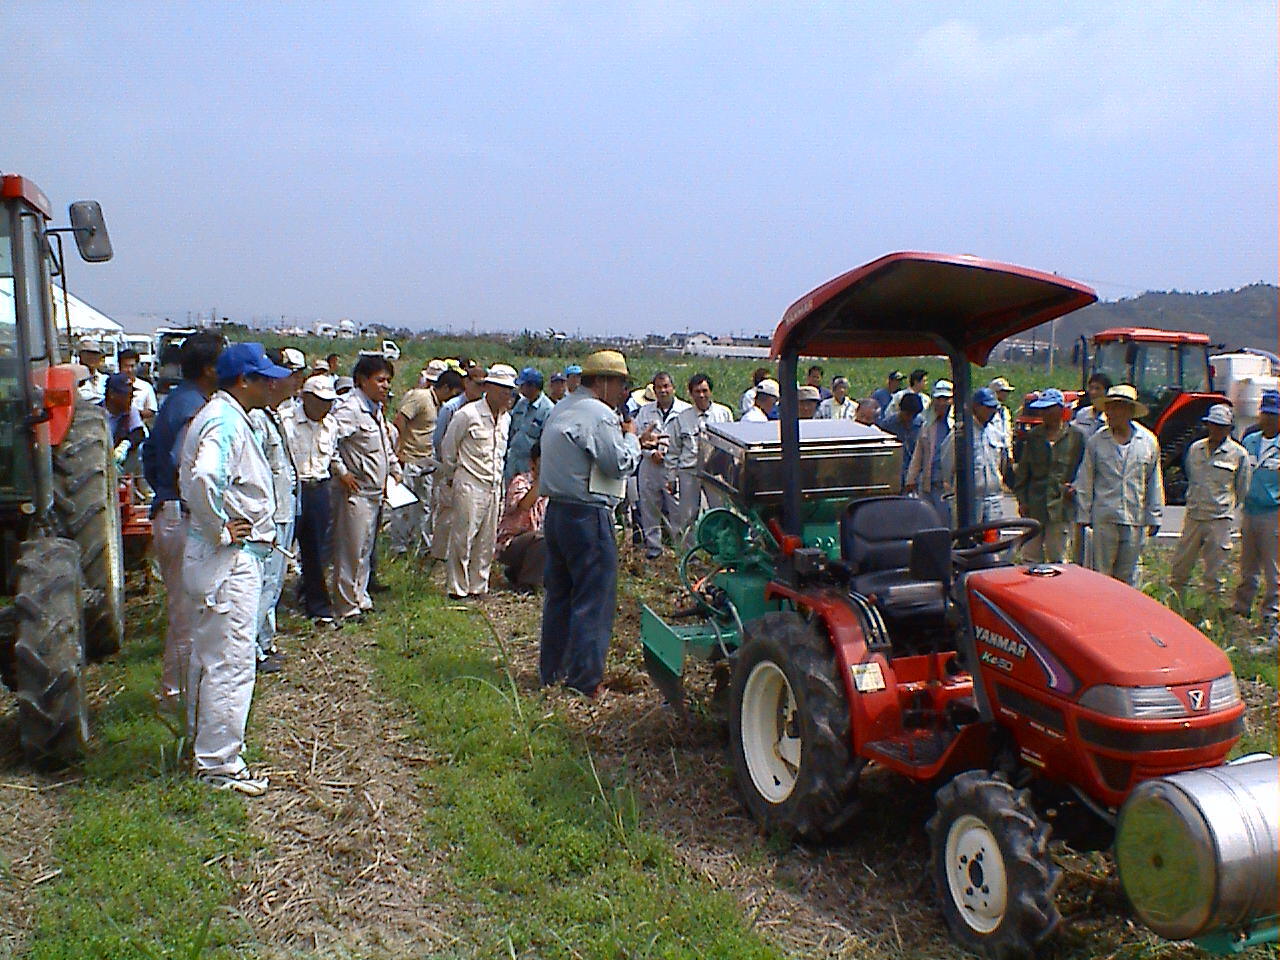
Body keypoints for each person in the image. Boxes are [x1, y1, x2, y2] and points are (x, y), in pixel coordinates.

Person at [179, 342, 292, 795]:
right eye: (265, 379)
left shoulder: (224, 416)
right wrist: (220, 527)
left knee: (211, 656)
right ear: (244, 381)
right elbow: (206, 476)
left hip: (219, 557)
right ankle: (220, 763)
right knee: (230, 662)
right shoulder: (224, 421)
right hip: (227, 560)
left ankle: (203, 746)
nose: (272, 386)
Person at [538, 350, 644, 697]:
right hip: (587, 515)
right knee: (593, 600)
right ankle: (584, 681)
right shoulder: (599, 414)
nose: (623, 392)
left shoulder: (562, 407)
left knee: (560, 596)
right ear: (603, 382)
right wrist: (633, 439)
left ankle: (552, 671)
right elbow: (617, 464)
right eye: (620, 383)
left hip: (557, 512)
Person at [142, 332, 223, 705]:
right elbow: (184, 465)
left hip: (171, 509)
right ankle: (179, 697)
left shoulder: (178, 400)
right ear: (209, 369)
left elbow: (151, 456)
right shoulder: (194, 409)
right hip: (183, 514)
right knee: (189, 611)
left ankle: (182, 692)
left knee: (185, 608)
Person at [330, 354, 398, 621]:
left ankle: (360, 596)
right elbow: (328, 442)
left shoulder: (375, 409)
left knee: (365, 549)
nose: (385, 386)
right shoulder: (349, 409)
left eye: (388, 381)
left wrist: (394, 469)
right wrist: (342, 473)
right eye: (380, 380)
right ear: (362, 380)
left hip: (375, 492)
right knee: (350, 551)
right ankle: (346, 605)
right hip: (355, 492)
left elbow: (383, 446)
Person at [440, 364, 516, 598]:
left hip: (493, 484)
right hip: (469, 481)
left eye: (509, 390)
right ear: (488, 387)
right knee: (463, 537)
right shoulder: (468, 414)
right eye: (501, 388)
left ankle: (478, 585)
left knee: (487, 539)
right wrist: (453, 477)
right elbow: (448, 448)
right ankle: (457, 587)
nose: (506, 394)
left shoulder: (506, 419)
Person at [1076, 384, 1164, 586]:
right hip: (1104, 518)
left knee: (1129, 576)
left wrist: (1154, 516)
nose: (1111, 413)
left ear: (1130, 411)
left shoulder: (1147, 442)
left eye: (1118, 408)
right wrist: (1084, 517)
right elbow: (1086, 481)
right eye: (1109, 407)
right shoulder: (1096, 441)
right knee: (1100, 575)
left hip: (1134, 518)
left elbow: (1153, 482)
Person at [1169, 404, 1251, 606]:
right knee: (1180, 568)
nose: (1216, 429)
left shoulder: (1239, 454)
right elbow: (1191, 474)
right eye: (1213, 425)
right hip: (1194, 516)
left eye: (1221, 426)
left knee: (1215, 573)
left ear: (1229, 428)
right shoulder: (1195, 449)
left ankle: (1210, 613)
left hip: (1219, 519)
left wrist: (1226, 507)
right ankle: (1175, 607)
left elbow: (1242, 488)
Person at [248, 363, 300, 673]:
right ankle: (253, 650)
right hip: (271, 514)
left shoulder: (274, 415)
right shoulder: (257, 419)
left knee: (274, 583)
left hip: (284, 508)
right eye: (285, 379)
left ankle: (265, 643)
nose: (292, 384)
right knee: (265, 583)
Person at [390, 365, 462, 558]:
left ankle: (421, 547)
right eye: (454, 393)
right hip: (409, 460)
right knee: (402, 507)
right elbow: (400, 421)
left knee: (424, 506)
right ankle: (399, 548)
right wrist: (399, 452)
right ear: (445, 388)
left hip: (425, 462)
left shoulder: (439, 406)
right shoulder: (420, 397)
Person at [285, 375, 339, 623]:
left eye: (328, 402)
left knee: (316, 550)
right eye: (319, 401)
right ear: (305, 398)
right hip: (292, 489)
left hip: (318, 489)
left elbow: (332, 455)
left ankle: (317, 604)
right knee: (282, 547)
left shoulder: (331, 425)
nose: (324, 406)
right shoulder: (286, 422)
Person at [1011, 389, 1085, 563]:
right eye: (1042, 410)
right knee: (1030, 557)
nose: (1044, 414)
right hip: (1035, 506)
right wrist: (1022, 501)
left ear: (1060, 410)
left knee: (1058, 559)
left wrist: (1075, 488)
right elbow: (1023, 472)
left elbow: (1083, 469)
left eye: (1049, 409)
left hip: (1061, 507)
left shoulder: (1076, 437)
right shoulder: (1034, 436)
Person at [1234, 389, 1279, 651]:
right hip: (1250, 510)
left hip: (1273, 512)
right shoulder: (1250, 441)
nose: (1269, 420)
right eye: (1266, 415)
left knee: (1273, 568)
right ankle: (1242, 608)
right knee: (1247, 563)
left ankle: (1271, 615)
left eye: (1274, 416)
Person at [666, 373, 733, 545]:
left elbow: (731, 445)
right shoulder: (682, 418)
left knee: (720, 511)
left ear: (711, 391)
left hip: (715, 472)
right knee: (688, 515)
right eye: (697, 391)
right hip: (689, 471)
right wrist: (671, 478)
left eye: (704, 391)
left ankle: (721, 549)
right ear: (690, 394)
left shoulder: (723, 413)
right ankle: (689, 551)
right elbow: (673, 450)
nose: (701, 395)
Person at [430, 364, 486, 565]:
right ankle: (439, 557)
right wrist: (449, 470)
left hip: (472, 474)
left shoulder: (484, 410)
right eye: (477, 384)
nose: (481, 389)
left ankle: (462, 556)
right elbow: (440, 440)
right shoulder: (451, 408)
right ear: (467, 382)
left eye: (484, 385)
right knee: (446, 514)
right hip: (449, 468)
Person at [633, 371, 690, 558]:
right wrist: (650, 453)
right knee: (649, 509)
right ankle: (654, 550)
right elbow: (636, 438)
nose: (663, 391)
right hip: (650, 466)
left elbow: (689, 442)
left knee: (678, 511)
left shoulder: (685, 411)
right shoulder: (645, 411)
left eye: (666, 386)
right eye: (659, 387)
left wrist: (671, 456)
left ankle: (682, 552)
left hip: (674, 468)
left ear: (673, 388)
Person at [941, 388, 1009, 527]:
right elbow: (947, 465)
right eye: (988, 407)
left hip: (993, 498)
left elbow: (1001, 461)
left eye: (994, 408)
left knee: (992, 538)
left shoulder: (995, 432)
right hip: (970, 500)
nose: (992, 411)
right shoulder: (961, 434)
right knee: (969, 536)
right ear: (976, 407)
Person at [496, 442, 549, 591]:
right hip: (509, 543)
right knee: (542, 539)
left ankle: (518, 572)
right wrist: (540, 480)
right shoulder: (520, 482)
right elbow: (524, 505)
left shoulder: (553, 487)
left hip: (534, 542)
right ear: (532, 463)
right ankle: (527, 584)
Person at [905, 380, 954, 525]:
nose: (942, 403)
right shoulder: (928, 424)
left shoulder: (956, 426)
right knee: (927, 523)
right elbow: (918, 454)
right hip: (928, 483)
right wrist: (911, 479)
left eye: (946, 399)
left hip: (947, 487)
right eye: (938, 399)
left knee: (947, 524)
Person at [505, 367, 553, 484]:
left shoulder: (548, 409)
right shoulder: (521, 404)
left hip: (529, 463)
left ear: (533, 386)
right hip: (513, 458)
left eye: (523, 385)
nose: (520, 388)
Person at [102, 373, 146, 472]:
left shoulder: (130, 410)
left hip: (120, 462)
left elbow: (139, 432)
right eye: (127, 395)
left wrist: (124, 445)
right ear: (112, 394)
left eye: (132, 395)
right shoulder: (97, 412)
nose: (131, 399)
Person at [880, 391, 924, 487]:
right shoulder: (888, 425)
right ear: (900, 409)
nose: (910, 418)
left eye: (914, 415)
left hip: (914, 474)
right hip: (894, 472)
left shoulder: (922, 425)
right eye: (908, 414)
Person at [118, 349, 159, 425]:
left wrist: (134, 414)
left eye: (132, 366)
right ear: (119, 367)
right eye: (126, 366)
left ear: (137, 366)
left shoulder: (146, 386)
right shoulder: (112, 385)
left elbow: (152, 410)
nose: (129, 370)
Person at [988, 376, 1015, 457]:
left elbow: (1008, 432)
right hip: (992, 450)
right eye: (1003, 391)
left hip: (1004, 450)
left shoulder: (1005, 411)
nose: (1006, 394)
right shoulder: (988, 411)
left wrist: (1009, 451)